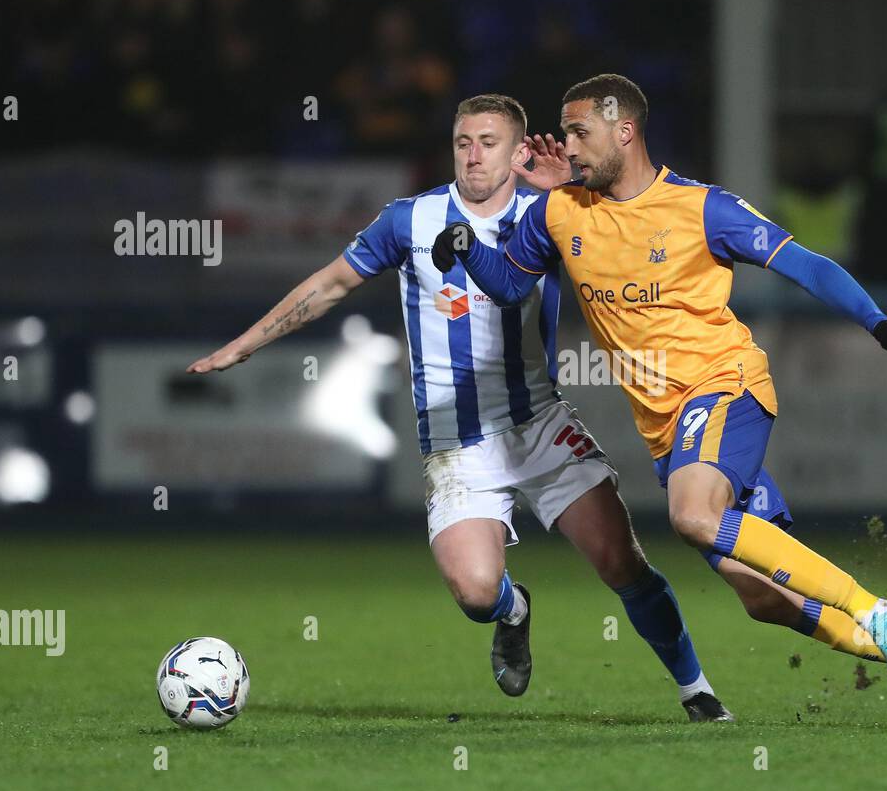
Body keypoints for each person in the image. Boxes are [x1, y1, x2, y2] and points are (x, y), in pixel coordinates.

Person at [434, 74, 887, 726]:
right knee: (764, 598)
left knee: (692, 515)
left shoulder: (701, 207)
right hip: (669, 431)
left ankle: (884, 614)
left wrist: (881, 325)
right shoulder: (558, 211)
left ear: (624, 129)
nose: (566, 145)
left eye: (579, 132)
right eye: (564, 132)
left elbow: (807, 265)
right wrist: (465, 249)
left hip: (724, 387)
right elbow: (509, 284)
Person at [187, 93, 734, 721]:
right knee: (476, 593)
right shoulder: (408, 220)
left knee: (623, 564)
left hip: (541, 426)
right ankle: (513, 610)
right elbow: (332, 283)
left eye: (489, 142)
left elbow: (634, 236)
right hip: (456, 440)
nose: (473, 156)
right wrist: (243, 345)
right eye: (463, 143)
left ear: (520, 150)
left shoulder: (552, 214)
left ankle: (699, 694)